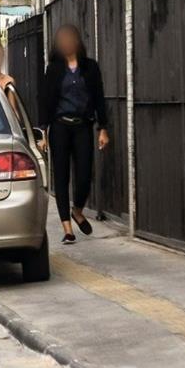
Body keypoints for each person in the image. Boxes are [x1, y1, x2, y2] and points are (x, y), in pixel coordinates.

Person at [38, 24, 110, 245]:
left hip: (82, 126)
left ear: (77, 41)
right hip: (60, 126)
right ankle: (67, 229)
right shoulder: (54, 69)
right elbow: (46, 101)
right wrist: (44, 132)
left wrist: (103, 128)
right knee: (61, 177)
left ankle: (77, 210)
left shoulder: (90, 68)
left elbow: (99, 97)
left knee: (84, 175)